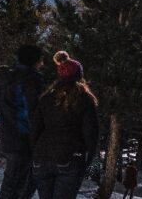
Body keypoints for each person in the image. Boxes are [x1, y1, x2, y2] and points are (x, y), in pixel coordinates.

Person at [30, 53, 99, 199]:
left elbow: (35, 130)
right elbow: (91, 133)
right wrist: (87, 159)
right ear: (79, 76)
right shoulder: (85, 99)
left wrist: (36, 153)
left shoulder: (46, 98)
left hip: (42, 159)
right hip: (69, 157)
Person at [0, 45, 45, 199]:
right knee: (18, 185)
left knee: (13, 184)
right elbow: (32, 112)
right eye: (41, 59)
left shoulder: (11, 77)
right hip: (22, 140)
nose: (42, 63)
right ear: (34, 60)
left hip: (9, 136)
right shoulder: (30, 80)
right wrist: (38, 137)